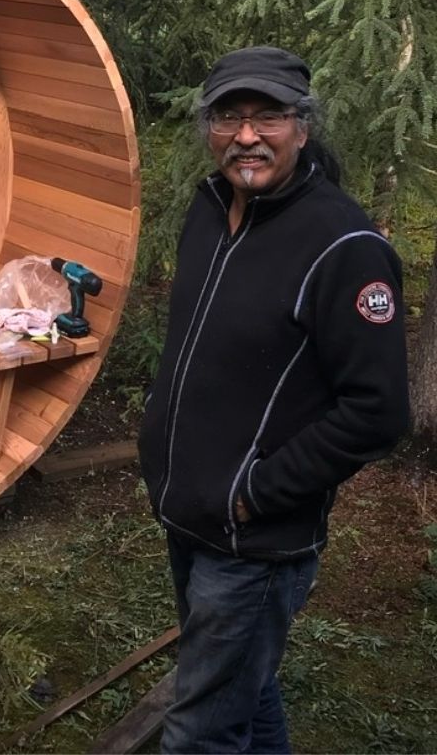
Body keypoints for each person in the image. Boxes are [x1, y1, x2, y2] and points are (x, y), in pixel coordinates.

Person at [138, 46, 410, 754]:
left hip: (253, 541)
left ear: (303, 127)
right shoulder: (209, 212)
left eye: (268, 116)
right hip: (188, 510)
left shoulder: (343, 246)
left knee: (199, 731)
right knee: (244, 694)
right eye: (229, 116)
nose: (247, 135)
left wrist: (255, 492)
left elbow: (377, 412)